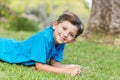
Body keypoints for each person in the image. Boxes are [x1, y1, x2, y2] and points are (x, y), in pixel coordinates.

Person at [0, 11, 84, 76]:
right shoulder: (44, 37)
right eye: (64, 28)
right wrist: (67, 72)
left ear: (73, 40)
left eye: (71, 34)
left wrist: (70, 67)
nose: (65, 34)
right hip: (7, 49)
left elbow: (53, 63)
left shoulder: (61, 41)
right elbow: (39, 66)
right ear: (55, 25)